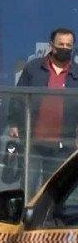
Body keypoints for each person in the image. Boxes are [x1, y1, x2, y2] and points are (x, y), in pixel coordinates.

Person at [8, 28, 78, 187]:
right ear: (51, 45)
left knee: (52, 189)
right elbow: (18, 97)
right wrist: (13, 123)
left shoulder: (76, 73)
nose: (65, 48)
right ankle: (26, 212)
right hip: (33, 140)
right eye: (61, 44)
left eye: (69, 45)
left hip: (62, 144)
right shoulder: (33, 68)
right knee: (29, 186)